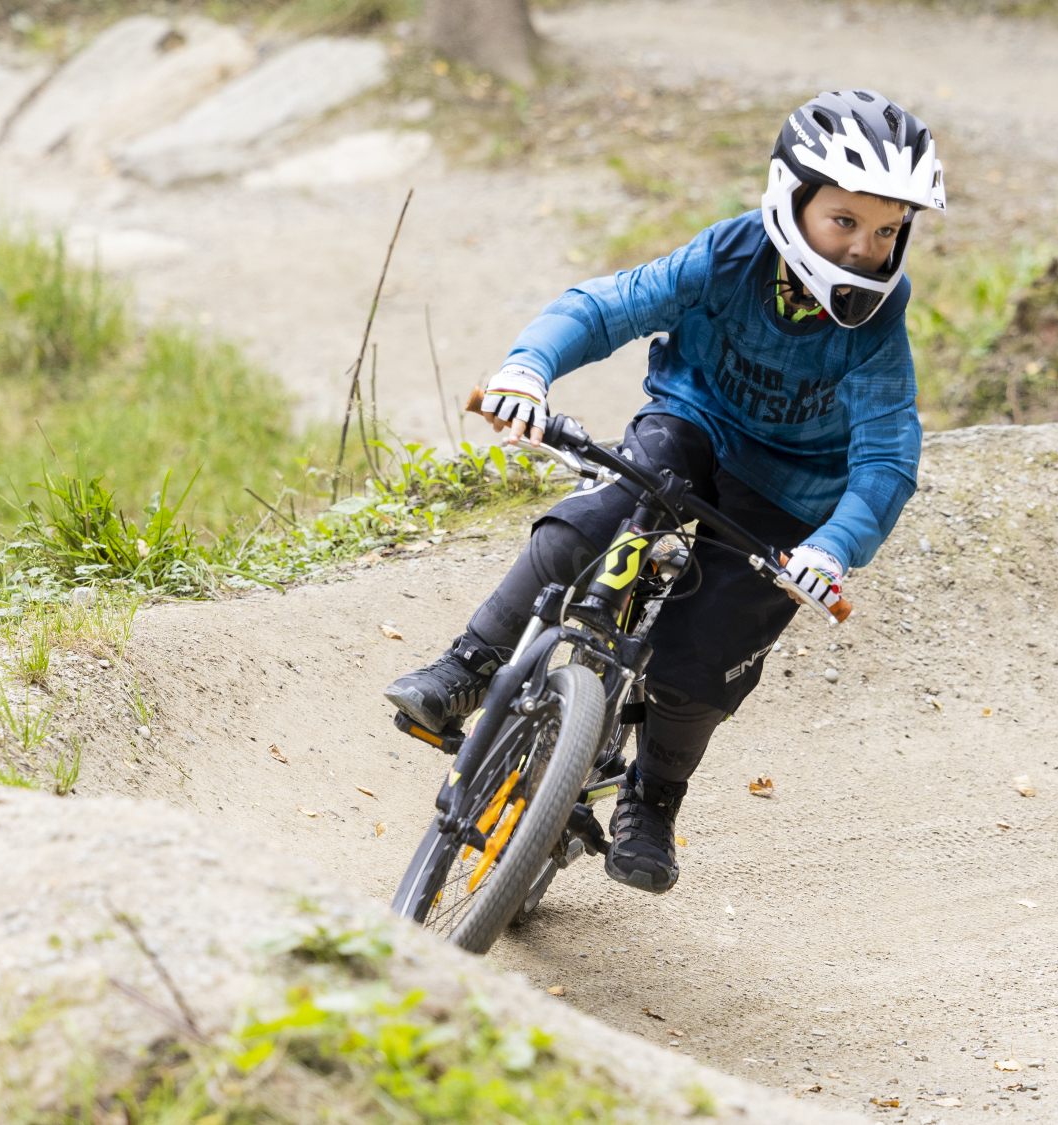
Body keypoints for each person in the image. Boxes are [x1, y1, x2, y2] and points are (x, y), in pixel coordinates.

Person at [385, 89, 945, 895]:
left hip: (790, 493)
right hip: (693, 425)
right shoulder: (730, 256)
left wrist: (833, 546)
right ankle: (465, 667)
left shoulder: (877, 324)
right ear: (790, 200)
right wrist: (528, 369)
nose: (864, 249)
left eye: (887, 230)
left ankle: (652, 797)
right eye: (844, 221)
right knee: (591, 524)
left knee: (701, 658)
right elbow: (607, 307)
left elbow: (888, 458)